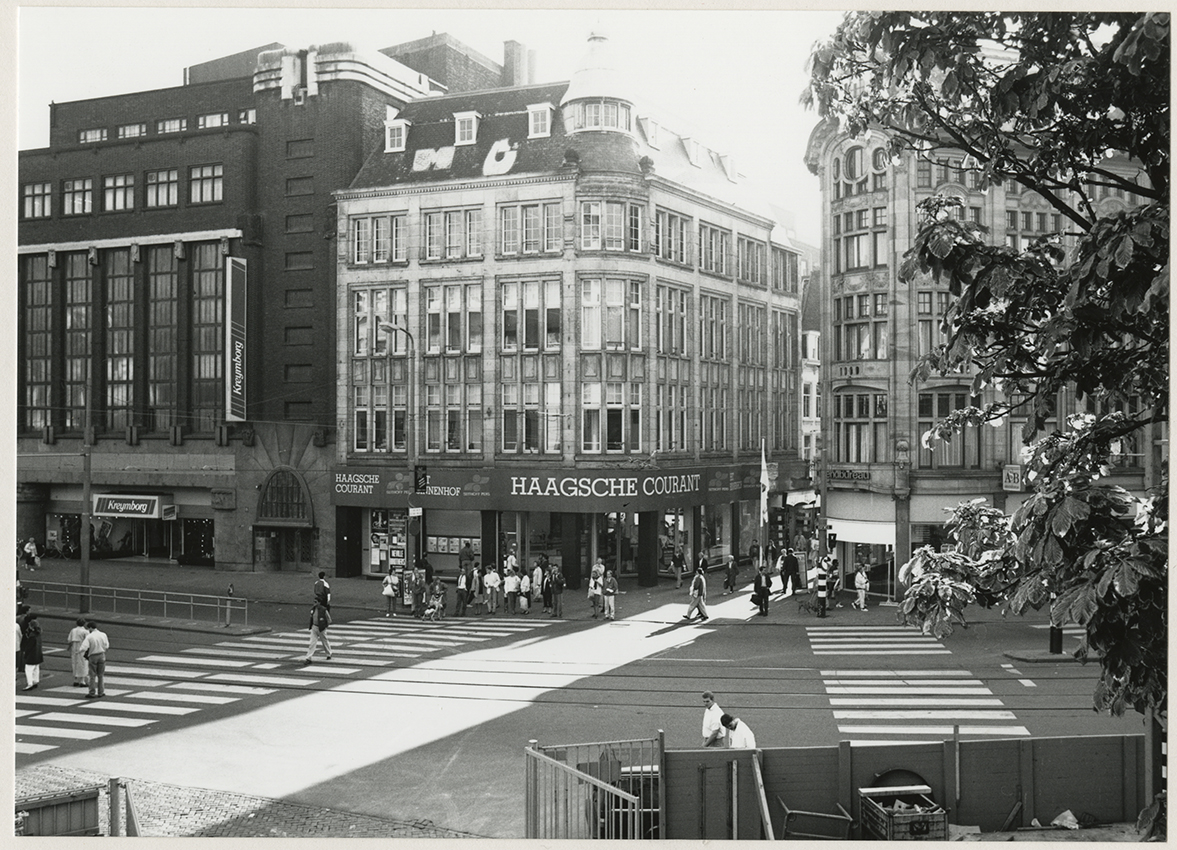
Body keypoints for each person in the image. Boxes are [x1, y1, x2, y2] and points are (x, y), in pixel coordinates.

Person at [81, 620, 109, 698]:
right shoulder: (103, 634)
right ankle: (101, 692)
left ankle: (92, 692)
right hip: (102, 655)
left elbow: (83, 647)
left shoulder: (89, 636)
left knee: (92, 675)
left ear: (90, 628)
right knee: (101, 675)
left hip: (93, 656)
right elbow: (106, 646)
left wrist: (80, 652)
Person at [20, 613, 43, 690]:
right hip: (38, 655)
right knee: (36, 668)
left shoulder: (32, 636)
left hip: (31, 656)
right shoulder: (38, 634)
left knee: (28, 669)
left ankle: (30, 683)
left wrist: (25, 654)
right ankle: (36, 681)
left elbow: (29, 647)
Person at [67, 616, 89, 686]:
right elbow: (88, 641)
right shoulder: (85, 631)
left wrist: (69, 647)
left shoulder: (73, 630)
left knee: (75, 663)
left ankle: (75, 680)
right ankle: (82, 681)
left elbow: (69, 640)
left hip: (74, 647)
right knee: (83, 663)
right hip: (82, 647)